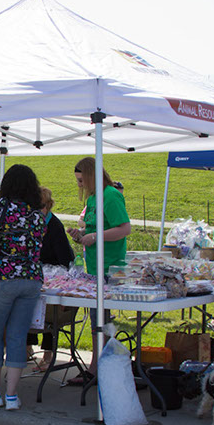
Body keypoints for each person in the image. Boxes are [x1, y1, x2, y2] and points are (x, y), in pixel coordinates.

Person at [0, 164, 46, 411]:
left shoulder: (2, 209)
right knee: (17, 336)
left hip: (1, 279)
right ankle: (12, 396)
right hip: (31, 280)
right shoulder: (37, 214)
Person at [66, 157, 130, 384]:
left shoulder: (111, 196)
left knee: (100, 321)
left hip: (109, 268)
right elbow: (94, 231)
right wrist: (82, 237)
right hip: (94, 267)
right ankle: (97, 366)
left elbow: (124, 229)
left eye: (82, 180)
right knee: (96, 319)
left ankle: (97, 369)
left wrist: (95, 236)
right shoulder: (93, 198)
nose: (80, 185)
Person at [26, 186, 75, 371]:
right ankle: (27, 348)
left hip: (56, 275)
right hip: (34, 274)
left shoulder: (54, 226)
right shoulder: (29, 223)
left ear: (48, 206)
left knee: (49, 310)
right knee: (26, 303)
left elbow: (65, 260)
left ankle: (48, 354)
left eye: (39, 208)